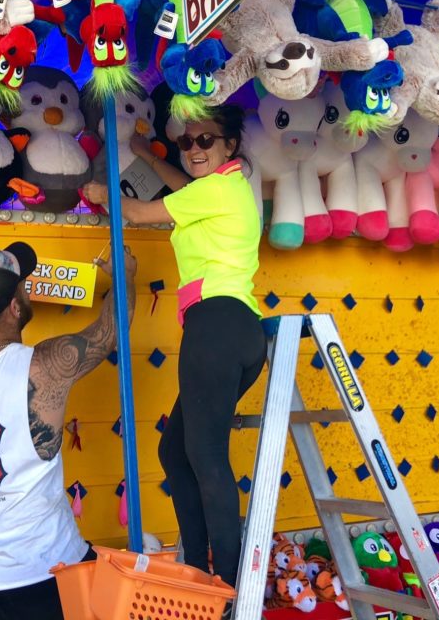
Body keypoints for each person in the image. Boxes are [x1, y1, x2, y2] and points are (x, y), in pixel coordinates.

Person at [82, 103, 266, 590]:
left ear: (230, 146)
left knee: (205, 457)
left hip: (216, 326)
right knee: (176, 452)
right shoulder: (222, 189)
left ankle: (225, 584)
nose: (194, 149)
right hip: (234, 330)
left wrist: (100, 191)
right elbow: (185, 188)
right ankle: (200, 569)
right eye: (187, 142)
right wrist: (147, 153)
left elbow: (141, 212)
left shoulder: (220, 187)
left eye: (205, 140)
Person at [0, 240, 137, 620]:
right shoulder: (43, 365)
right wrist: (125, 274)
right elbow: (109, 333)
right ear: (15, 308)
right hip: (51, 575)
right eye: (22, 288)